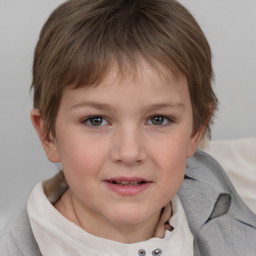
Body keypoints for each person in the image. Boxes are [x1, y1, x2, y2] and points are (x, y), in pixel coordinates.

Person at [1, 0, 255, 255]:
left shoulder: (227, 207)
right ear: (49, 136)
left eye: (158, 119)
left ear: (195, 131)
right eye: (96, 120)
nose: (130, 152)